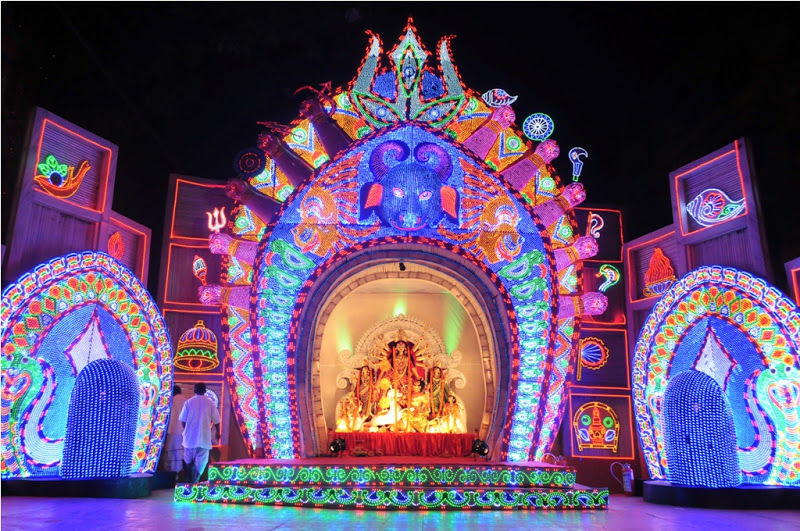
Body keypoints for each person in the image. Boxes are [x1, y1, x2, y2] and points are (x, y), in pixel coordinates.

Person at [179, 383, 220, 483]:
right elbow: (217, 421)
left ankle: (188, 482)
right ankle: (195, 482)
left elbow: (182, 419)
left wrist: (186, 430)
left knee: (188, 461)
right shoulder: (210, 403)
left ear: (194, 390)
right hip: (204, 438)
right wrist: (218, 433)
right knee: (201, 463)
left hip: (189, 439)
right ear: (205, 391)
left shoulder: (188, 402)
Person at [163, 385, 187, 473]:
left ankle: (171, 477)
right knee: (180, 455)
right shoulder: (186, 402)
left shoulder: (170, 402)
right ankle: (178, 476)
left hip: (171, 431)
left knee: (171, 454)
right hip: (183, 433)